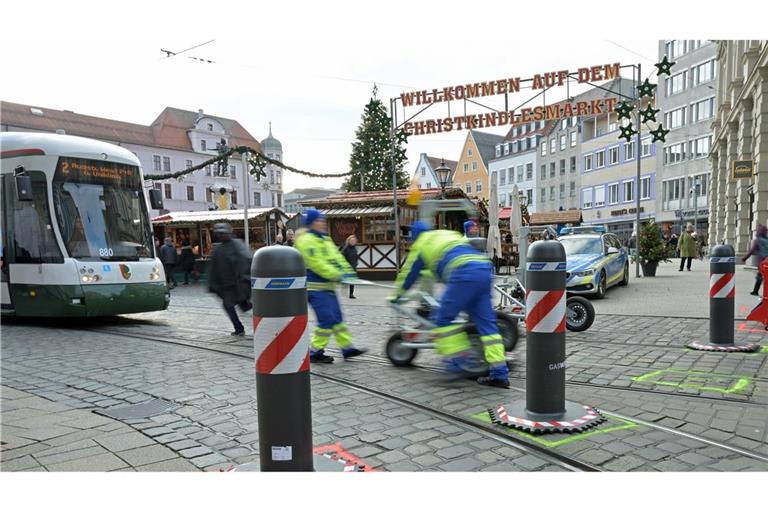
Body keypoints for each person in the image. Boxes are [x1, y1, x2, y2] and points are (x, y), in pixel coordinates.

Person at [391, 221, 509, 388]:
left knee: (442, 319)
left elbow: (410, 275)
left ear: (414, 237)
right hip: (483, 270)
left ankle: (457, 365)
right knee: (488, 327)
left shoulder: (422, 245)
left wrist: (397, 296)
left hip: (463, 273)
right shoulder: (447, 234)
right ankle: (499, 374)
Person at [294, 209, 366, 363]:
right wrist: (337, 275)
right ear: (312, 223)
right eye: (320, 220)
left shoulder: (325, 239)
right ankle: (315, 352)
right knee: (327, 319)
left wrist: (349, 274)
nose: (323, 222)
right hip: (314, 289)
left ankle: (347, 348)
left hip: (328, 288)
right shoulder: (306, 241)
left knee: (338, 318)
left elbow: (338, 258)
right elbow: (317, 264)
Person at [208, 223, 252, 336]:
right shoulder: (218, 249)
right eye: (220, 234)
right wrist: (214, 284)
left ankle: (263, 323)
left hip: (239, 284)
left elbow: (246, 261)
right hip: (227, 286)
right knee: (228, 305)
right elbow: (214, 267)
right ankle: (239, 328)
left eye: (224, 233)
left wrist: (245, 278)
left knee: (246, 305)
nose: (222, 236)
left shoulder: (237, 245)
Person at [742, 224, 768, 296]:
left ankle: (755, 291)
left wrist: (744, 258)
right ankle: (755, 291)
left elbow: (751, 251)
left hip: (763, 262)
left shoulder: (757, 241)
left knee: (760, 276)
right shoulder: (767, 240)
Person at [341, 234, 359, 299]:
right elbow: (341, 257)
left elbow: (356, 256)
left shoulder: (355, 248)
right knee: (346, 280)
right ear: (348, 241)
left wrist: (356, 263)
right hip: (347, 267)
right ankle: (344, 287)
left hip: (353, 266)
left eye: (354, 240)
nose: (353, 241)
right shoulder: (346, 248)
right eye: (351, 240)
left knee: (352, 281)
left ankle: (351, 294)